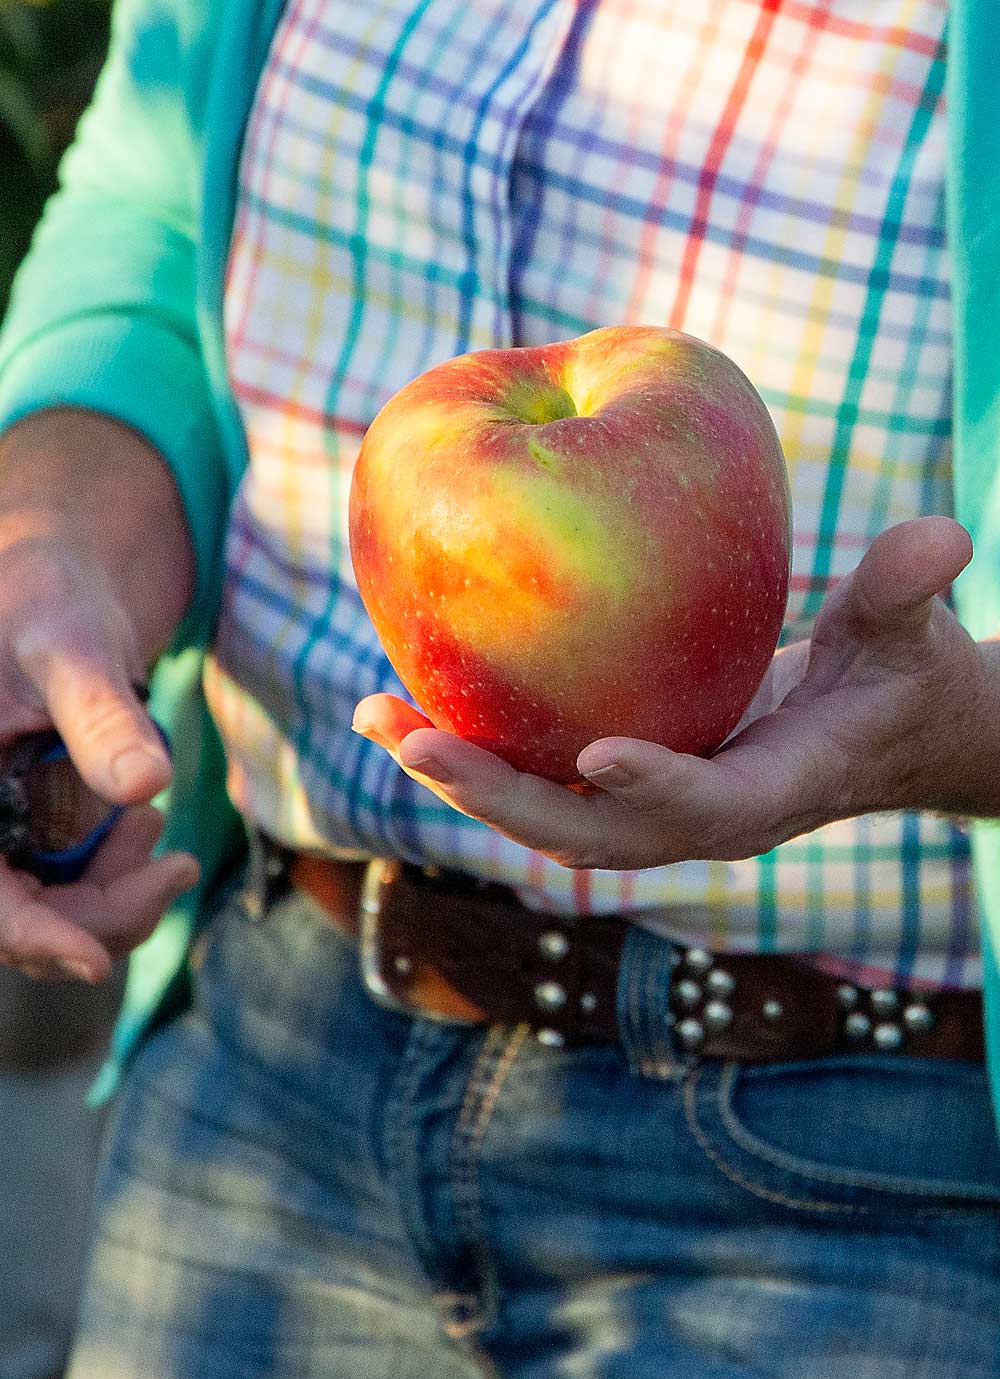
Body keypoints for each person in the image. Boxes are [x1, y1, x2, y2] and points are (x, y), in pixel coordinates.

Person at [0, 0, 999, 1374]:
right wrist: (51, 549)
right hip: (273, 1064)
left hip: (857, 1164)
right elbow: (162, 211)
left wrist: (944, 733)